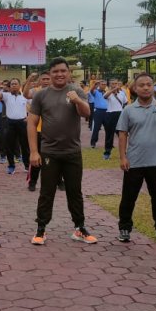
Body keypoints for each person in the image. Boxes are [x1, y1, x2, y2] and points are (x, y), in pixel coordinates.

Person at [28, 57, 97, 245]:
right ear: (49, 74)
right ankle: (41, 229)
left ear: (68, 73)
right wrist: (34, 152)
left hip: (72, 152)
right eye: (55, 71)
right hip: (49, 152)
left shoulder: (76, 91)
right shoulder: (41, 95)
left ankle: (80, 228)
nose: (59, 74)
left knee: (75, 192)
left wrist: (77, 101)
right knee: (46, 192)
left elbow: (86, 114)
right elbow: (32, 123)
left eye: (63, 71)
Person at [116, 73, 156, 243]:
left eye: (149, 84)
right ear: (135, 89)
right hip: (134, 161)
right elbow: (122, 134)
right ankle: (124, 228)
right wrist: (122, 157)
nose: (145, 87)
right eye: (141, 85)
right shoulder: (128, 110)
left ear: (154, 87)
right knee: (129, 197)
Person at [0, 77, 30, 175]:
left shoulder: (24, 95)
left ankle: (27, 165)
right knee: (9, 145)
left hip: (22, 123)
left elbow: (32, 106)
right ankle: (11, 166)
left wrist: (29, 117)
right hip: (10, 123)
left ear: (19, 86)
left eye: (16, 84)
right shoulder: (6, 95)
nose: (14, 85)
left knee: (25, 145)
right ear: (10, 87)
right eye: (12, 84)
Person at [102, 79, 128, 161]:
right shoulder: (108, 93)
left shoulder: (122, 93)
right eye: (113, 84)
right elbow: (105, 96)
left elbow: (125, 102)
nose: (115, 85)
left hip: (120, 114)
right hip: (110, 114)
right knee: (109, 135)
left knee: (122, 134)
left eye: (116, 83)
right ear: (110, 85)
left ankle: (123, 153)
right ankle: (107, 153)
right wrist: (113, 90)